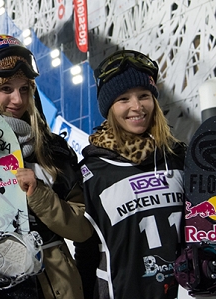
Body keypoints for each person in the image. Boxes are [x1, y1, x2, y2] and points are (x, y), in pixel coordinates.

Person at [0, 34, 93, 299]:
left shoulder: (52, 149)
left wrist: (39, 195)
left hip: (54, 286)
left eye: (25, 89)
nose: (18, 100)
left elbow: (81, 228)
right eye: (6, 89)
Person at [75, 50, 187, 299]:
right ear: (109, 108)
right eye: (123, 99)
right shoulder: (92, 173)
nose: (137, 107)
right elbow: (87, 251)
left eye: (144, 96)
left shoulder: (179, 158)